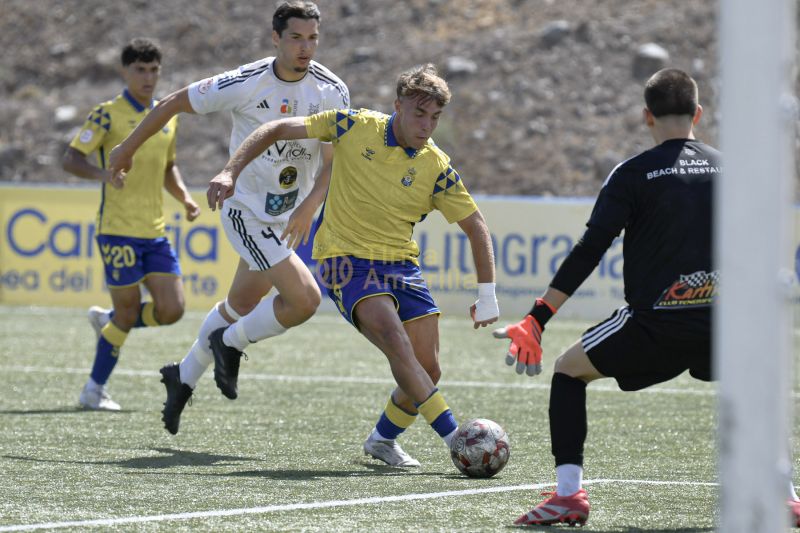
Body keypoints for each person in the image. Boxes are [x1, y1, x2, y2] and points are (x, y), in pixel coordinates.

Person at [494, 68, 800, 528]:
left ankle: (568, 495)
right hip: (725, 325)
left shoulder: (634, 173)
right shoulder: (733, 169)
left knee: (566, 372)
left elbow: (589, 250)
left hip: (653, 329)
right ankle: (786, 496)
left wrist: (538, 317)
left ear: (646, 117)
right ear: (698, 113)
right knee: (762, 389)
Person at [207, 63, 499, 467]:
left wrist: (487, 293)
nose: (426, 124)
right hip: (345, 262)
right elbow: (274, 129)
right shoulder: (352, 124)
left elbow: (476, 225)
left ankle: (382, 439)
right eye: (419, 113)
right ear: (397, 105)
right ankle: (457, 439)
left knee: (428, 368)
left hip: (401, 267)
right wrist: (229, 171)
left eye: (435, 117)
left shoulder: (435, 165)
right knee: (396, 343)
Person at [108, 1, 349, 434]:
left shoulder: (332, 90)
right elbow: (173, 102)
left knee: (239, 304)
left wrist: (311, 206)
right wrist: (127, 148)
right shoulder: (248, 81)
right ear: (275, 38)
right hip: (246, 213)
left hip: (287, 218)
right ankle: (228, 343)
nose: (305, 47)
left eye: (312, 38)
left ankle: (181, 377)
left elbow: (332, 160)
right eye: (295, 37)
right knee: (306, 300)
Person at [62, 38, 200, 411]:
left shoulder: (165, 117)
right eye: (140, 69)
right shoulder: (107, 114)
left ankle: (109, 322)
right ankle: (94, 389)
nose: (148, 77)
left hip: (154, 231)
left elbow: (169, 166)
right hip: (117, 229)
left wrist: (185, 198)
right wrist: (104, 176)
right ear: (125, 71)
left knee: (172, 310)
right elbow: (71, 159)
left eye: (154, 70)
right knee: (128, 311)